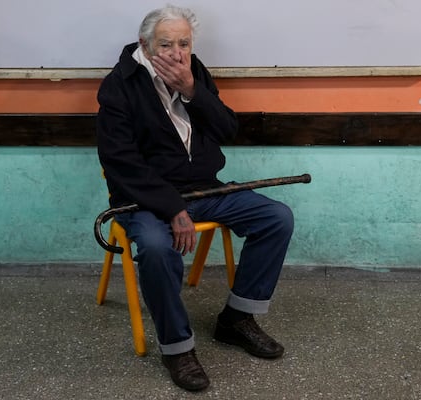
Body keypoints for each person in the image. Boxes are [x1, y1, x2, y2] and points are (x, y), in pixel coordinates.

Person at [96, 5, 294, 392]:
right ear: (145, 44)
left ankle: (237, 319)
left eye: (183, 43)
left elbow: (226, 129)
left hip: (204, 188)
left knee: (276, 218)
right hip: (145, 200)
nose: (176, 52)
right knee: (156, 247)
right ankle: (177, 347)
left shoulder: (194, 71)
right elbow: (121, 163)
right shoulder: (119, 85)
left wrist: (192, 90)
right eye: (166, 44)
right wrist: (172, 209)